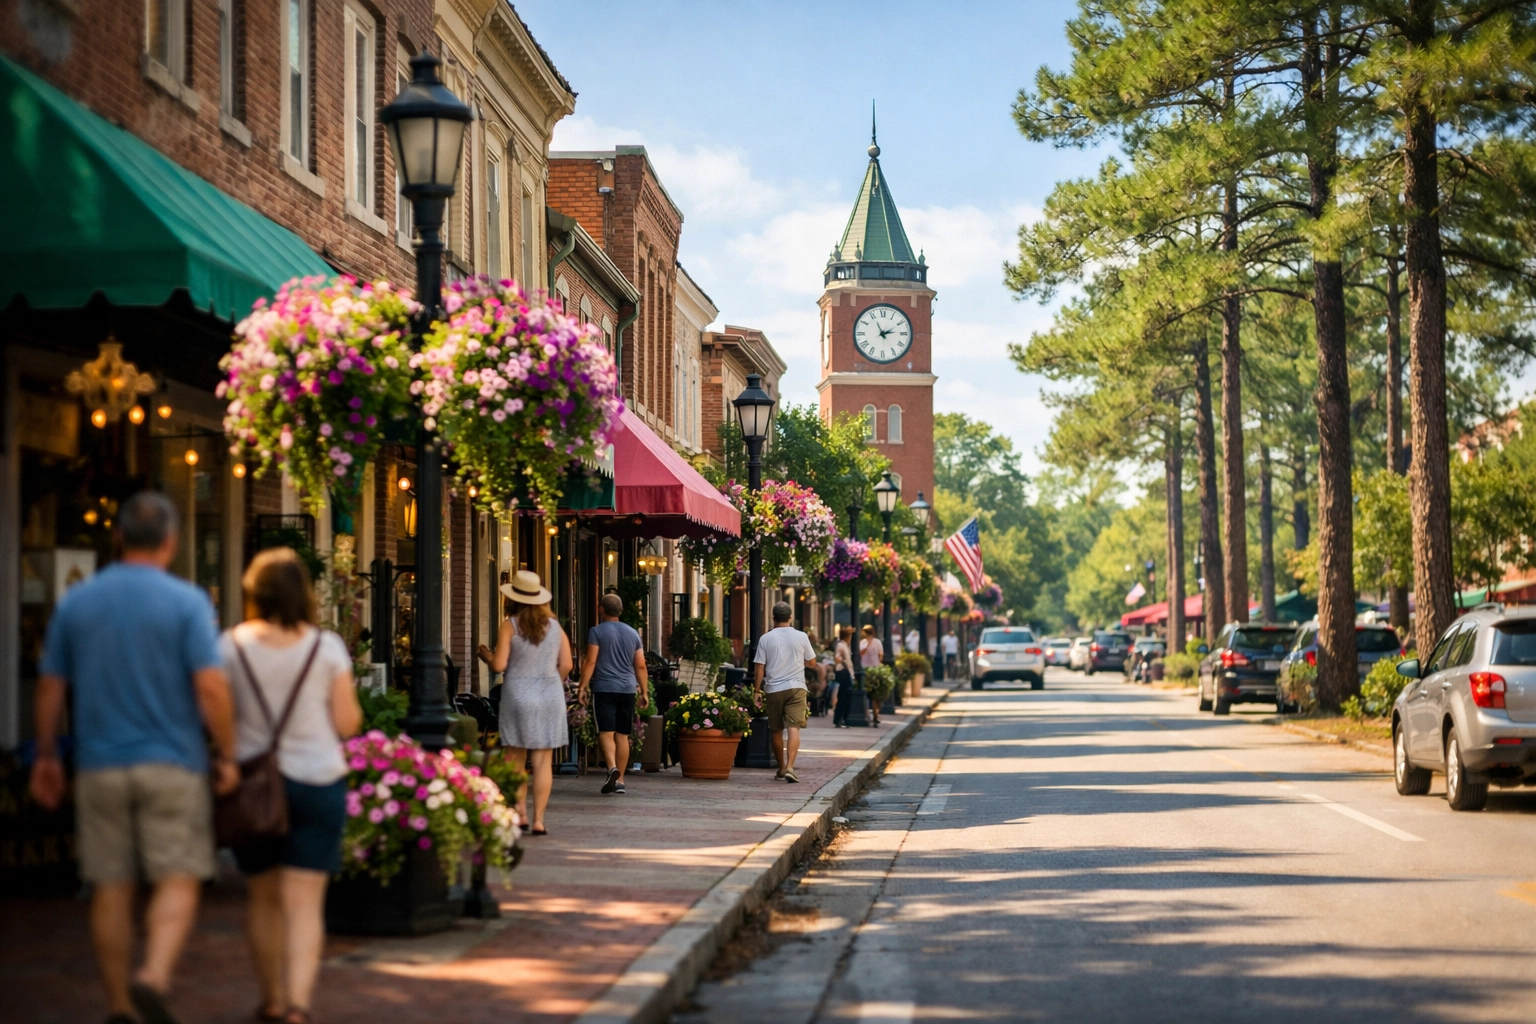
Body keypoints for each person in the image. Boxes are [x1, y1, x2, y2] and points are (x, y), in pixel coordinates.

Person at [29, 491, 239, 1024]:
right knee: (180, 874)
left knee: (111, 885)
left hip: (99, 763)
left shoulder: (78, 601)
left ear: (117, 538)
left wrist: (47, 755)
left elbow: (50, 686)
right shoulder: (188, 602)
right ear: (171, 542)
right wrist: (228, 752)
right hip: (173, 763)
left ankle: (121, 1005)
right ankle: (153, 975)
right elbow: (211, 687)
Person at [223, 548, 362, 1024]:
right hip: (316, 781)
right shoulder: (326, 649)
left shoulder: (231, 646)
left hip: (254, 786)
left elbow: (218, 719)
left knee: (262, 897)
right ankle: (298, 1006)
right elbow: (347, 724)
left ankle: (272, 1000)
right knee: (304, 903)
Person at [477, 570, 572, 835]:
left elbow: (499, 664)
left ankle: (519, 812)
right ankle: (539, 819)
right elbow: (567, 664)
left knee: (515, 759)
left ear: (513, 599)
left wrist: (486, 655)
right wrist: (549, 680)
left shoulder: (511, 625)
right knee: (543, 760)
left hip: (517, 694)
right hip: (550, 695)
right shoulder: (555, 627)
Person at [577, 593, 648, 794]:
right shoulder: (633, 633)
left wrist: (582, 687)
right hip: (627, 689)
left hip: (604, 688)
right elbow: (641, 665)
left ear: (601, 609)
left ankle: (612, 768)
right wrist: (644, 691)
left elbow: (590, 661)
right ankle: (621, 781)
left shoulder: (596, 632)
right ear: (621, 611)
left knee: (606, 731)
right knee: (623, 735)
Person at [752, 602, 818, 783]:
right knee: (794, 727)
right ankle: (790, 766)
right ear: (790, 617)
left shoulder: (766, 638)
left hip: (773, 688)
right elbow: (812, 662)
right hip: (797, 687)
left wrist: (757, 690)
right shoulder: (801, 636)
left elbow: (759, 667)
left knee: (776, 730)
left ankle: (781, 768)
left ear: (773, 618)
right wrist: (799, 663)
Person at [859, 624, 884, 724]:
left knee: (875, 695)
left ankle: (875, 713)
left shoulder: (877, 642)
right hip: (865, 670)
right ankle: (874, 715)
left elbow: (881, 655)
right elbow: (861, 653)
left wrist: (878, 663)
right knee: (869, 694)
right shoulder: (863, 642)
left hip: (875, 669)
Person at [831, 626, 855, 728]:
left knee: (845, 697)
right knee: (843, 697)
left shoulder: (845, 645)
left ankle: (841, 719)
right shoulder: (840, 645)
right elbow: (837, 658)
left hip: (847, 672)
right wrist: (843, 662)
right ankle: (840, 719)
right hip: (844, 673)